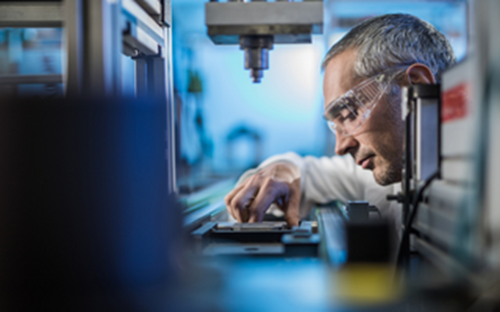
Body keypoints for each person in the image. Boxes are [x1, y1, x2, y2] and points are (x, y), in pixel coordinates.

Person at [224, 14, 456, 238]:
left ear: (416, 86)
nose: (340, 147)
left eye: (348, 114)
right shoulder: (386, 172)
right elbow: (308, 174)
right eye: (335, 125)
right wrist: (283, 169)